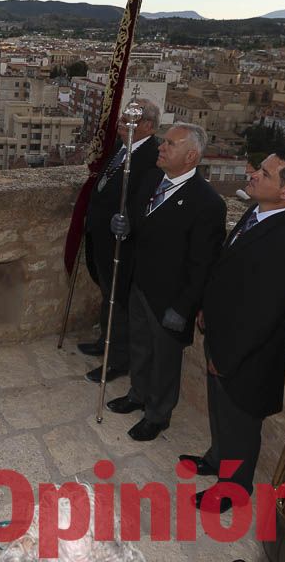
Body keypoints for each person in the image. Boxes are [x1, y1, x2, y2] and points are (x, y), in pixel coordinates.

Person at [186, 146, 285, 512]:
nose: (253, 174)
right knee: (221, 413)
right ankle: (215, 460)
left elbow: (264, 313)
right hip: (222, 334)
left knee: (240, 424)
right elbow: (229, 269)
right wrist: (207, 310)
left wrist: (226, 358)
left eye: (265, 172)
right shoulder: (259, 213)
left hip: (244, 354)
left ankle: (233, 489)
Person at [105, 123, 226, 442]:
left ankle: (158, 415)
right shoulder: (151, 180)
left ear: (190, 156)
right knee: (140, 346)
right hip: (140, 284)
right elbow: (139, 224)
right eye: (163, 142)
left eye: (170, 144)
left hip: (171, 298)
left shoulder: (208, 203)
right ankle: (137, 395)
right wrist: (125, 227)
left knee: (165, 360)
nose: (161, 147)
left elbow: (203, 264)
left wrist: (184, 308)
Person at [78, 99, 161, 384]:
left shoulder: (152, 158)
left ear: (148, 126)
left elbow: (143, 203)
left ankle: (117, 360)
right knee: (107, 293)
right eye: (123, 119)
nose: (122, 125)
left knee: (120, 301)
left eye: (130, 121)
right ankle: (105, 341)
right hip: (101, 238)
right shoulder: (120, 148)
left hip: (123, 245)